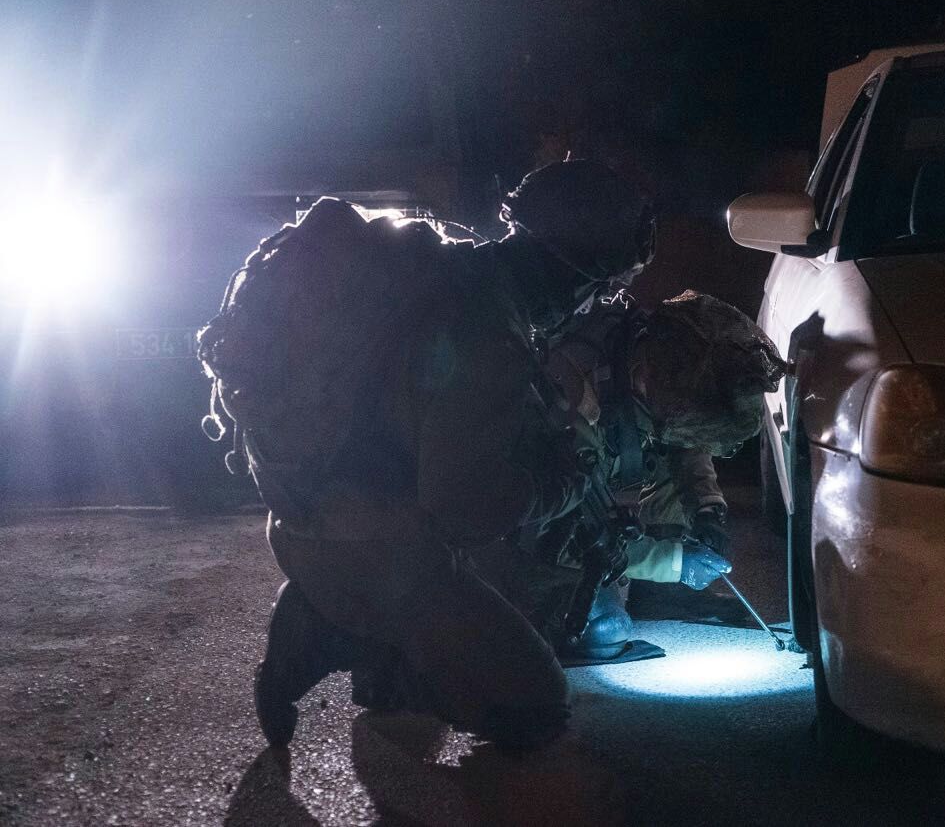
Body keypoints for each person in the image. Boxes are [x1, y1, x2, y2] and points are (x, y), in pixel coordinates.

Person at [205, 160, 656, 751]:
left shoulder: (445, 270)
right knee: (535, 711)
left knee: (486, 582)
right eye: (603, 287)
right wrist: (566, 478)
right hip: (374, 551)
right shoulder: (487, 332)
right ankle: (329, 628)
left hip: (305, 517)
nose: (594, 305)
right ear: (573, 273)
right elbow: (468, 509)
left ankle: (347, 613)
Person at [498, 290, 786, 659]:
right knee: (602, 632)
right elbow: (562, 533)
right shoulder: (572, 396)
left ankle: (652, 591)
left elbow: (685, 441)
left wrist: (707, 511)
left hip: (580, 495)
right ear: (642, 378)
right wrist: (675, 563)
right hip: (527, 531)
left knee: (671, 452)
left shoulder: (663, 371)